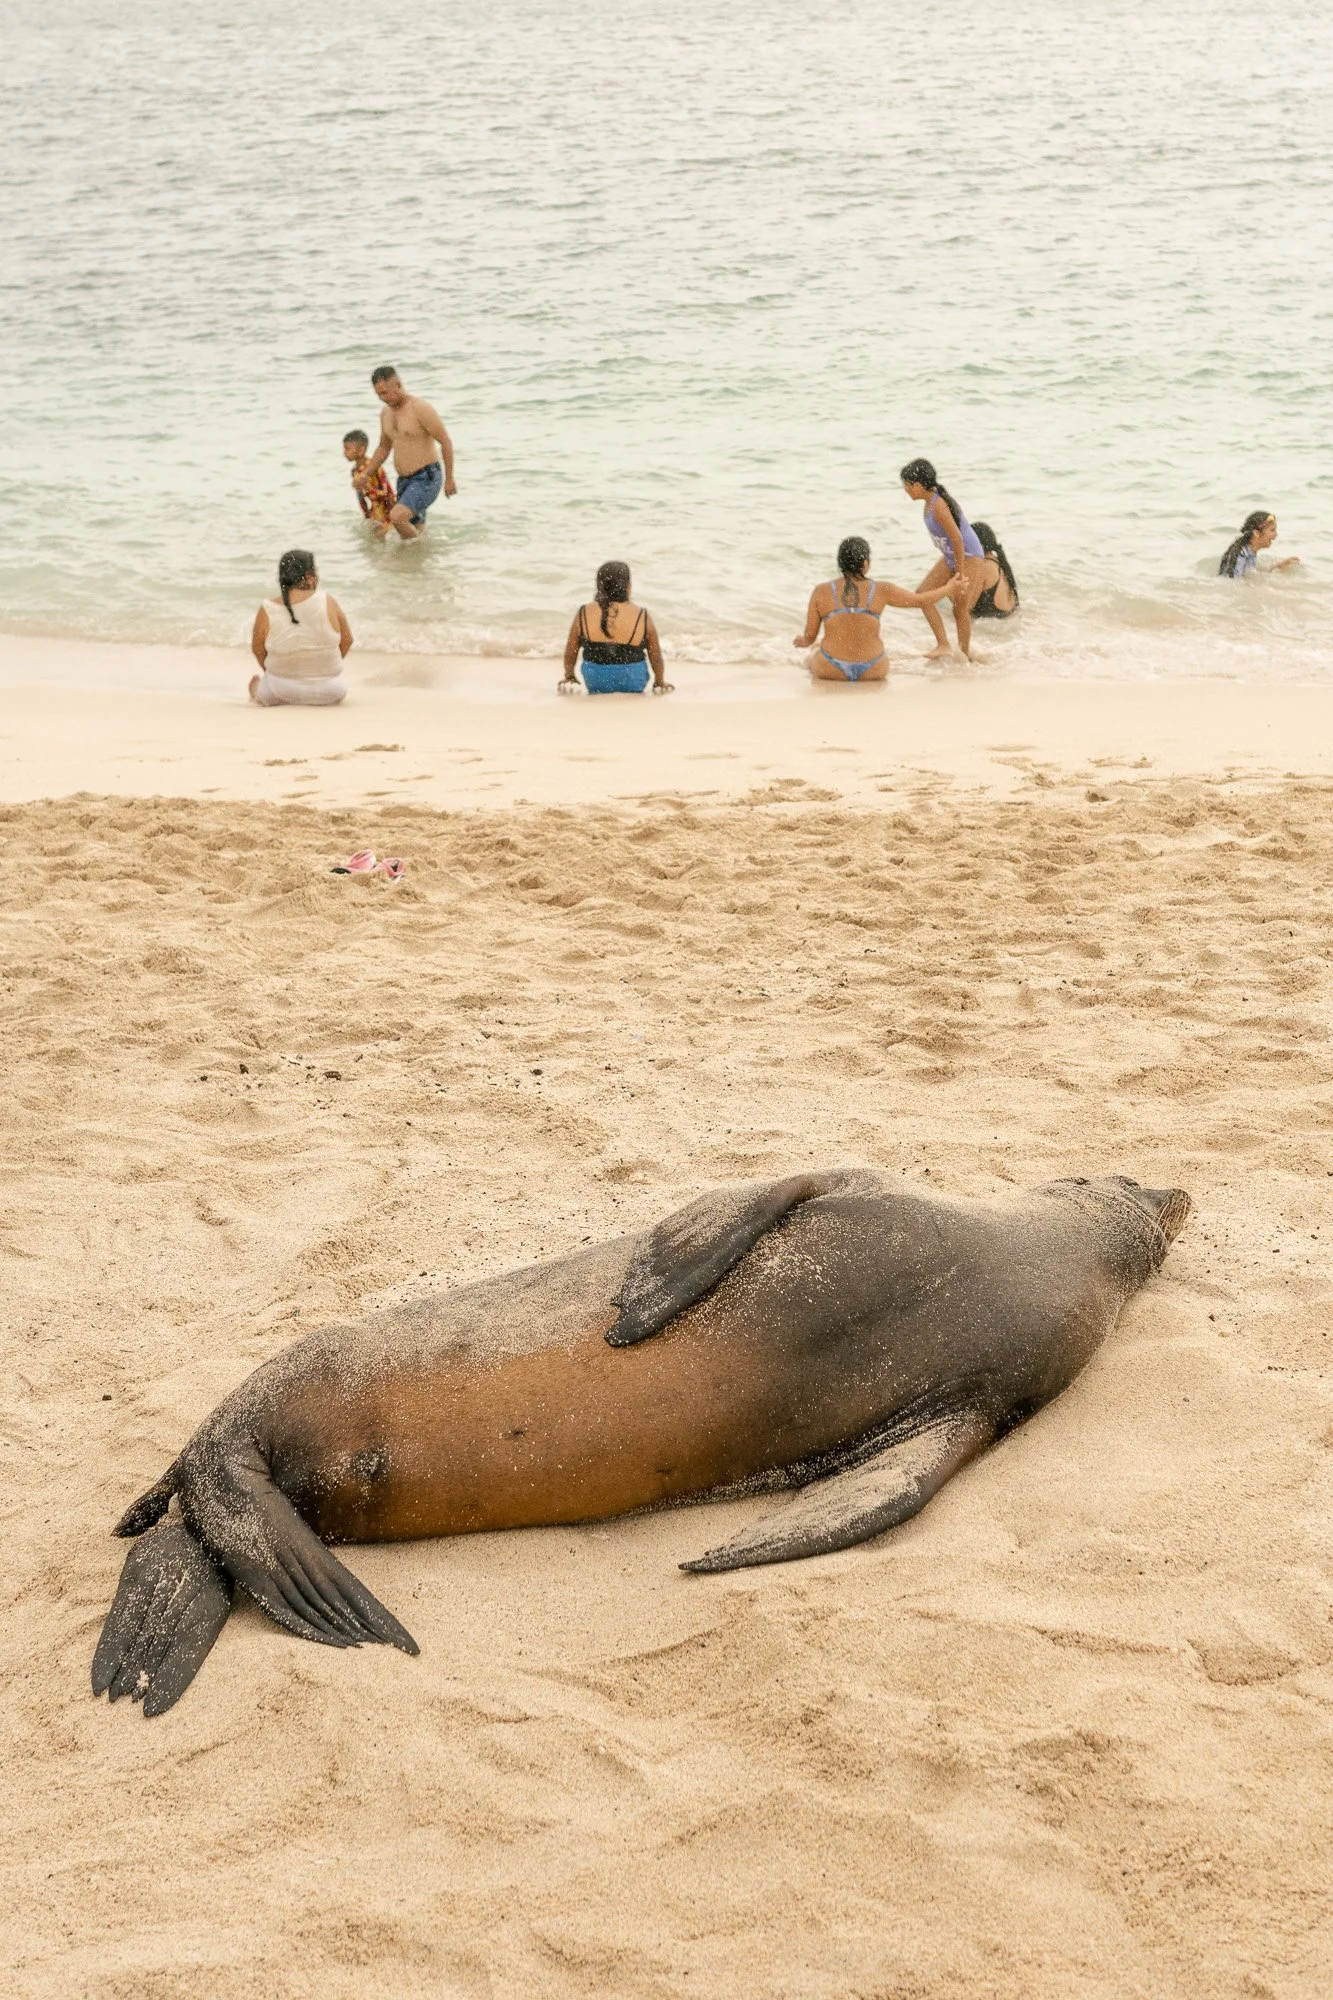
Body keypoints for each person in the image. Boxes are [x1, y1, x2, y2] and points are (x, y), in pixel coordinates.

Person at [793, 536, 965, 682]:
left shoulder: (821, 591)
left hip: (831, 668)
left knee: (813, 653)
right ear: (865, 563)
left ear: (840, 563)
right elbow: (920, 601)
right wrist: (949, 588)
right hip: (873, 668)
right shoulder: (881, 590)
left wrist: (802, 641)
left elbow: (809, 637)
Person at [900, 458, 988, 659]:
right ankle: (943, 645)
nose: (905, 489)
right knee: (922, 595)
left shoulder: (938, 505)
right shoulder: (929, 503)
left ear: (919, 486)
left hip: (970, 557)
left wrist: (960, 575)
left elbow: (957, 539)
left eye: (907, 484)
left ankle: (964, 655)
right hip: (952, 556)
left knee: (960, 609)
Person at [361, 366, 457, 541]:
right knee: (416, 529)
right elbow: (383, 447)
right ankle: (418, 563)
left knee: (397, 517)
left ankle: (420, 548)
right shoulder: (385, 414)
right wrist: (366, 473)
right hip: (404, 481)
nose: (383, 399)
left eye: (385, 393)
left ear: (398, 384)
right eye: (378, 395)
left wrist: (449, 479)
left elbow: (445, 441)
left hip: (427, 477)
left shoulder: (419, 408)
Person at [249, 550, 353, 706]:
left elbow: (257, 649)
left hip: (279, 690)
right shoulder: (328, 600)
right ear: (309, 578)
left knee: (257, 685)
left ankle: (257, 689)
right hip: (331, 691)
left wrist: (274, 672)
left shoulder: (267, 608)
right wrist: (322, 668)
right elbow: (347, 641)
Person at [561, 562, 671, 694]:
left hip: (596, 679)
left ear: (599, 586)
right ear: (628, 587)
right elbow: (656, 656)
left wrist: (569, 676)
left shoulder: (584, 612)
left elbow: (570, 652)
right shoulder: (642, 614)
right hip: (632, 679)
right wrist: (659, 681)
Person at [343, 428, 395, 536]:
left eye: (347, 449)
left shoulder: (373, 467)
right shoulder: (354, 471)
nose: (344, 452)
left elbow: (387, 493)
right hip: (374, 513)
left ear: (361, 450)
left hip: (387, 512)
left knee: (378, 539)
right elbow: (360, 497)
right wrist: (367, 515)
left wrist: (367, 489)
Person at [1219, 511, 1300, 579]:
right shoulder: (1241, 555)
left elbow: (1249, 572)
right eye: (1272, 530)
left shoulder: (1250, 550)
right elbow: (1232, 584)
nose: (1276, 535)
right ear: (1256, 533)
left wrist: (1279, 566)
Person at [971, 521, 1019, 619]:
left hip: (993, 626)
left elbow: (967, 607)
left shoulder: (984, 567)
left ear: (978, 544)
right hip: (1006, 620)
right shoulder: (997, 561)